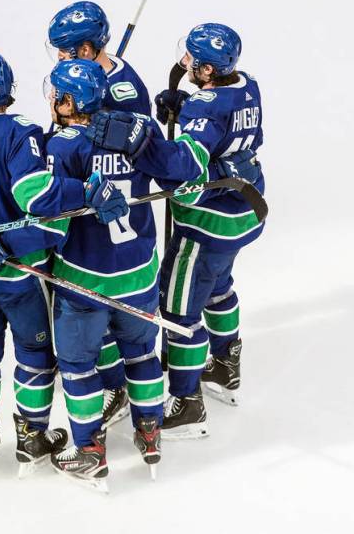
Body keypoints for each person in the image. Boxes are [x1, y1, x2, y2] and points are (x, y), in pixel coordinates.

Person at [0, 51, 128, 478]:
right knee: (34, 352)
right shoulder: (22, 133)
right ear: (10, 90)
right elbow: (39, 198)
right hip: (21, 272)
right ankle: (32, 435)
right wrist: (86, 189)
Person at [85, 23, 265, 438]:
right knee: (219, 286)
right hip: (245, 213)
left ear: (205, 69)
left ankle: (187, 403)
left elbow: (183, 168)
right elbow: (232, 131)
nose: (183, 62)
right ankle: (224, 365)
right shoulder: (248, 85)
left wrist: (142, 140)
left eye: (190, 60)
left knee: (179, 311)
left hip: (207, 225)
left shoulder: (207, 107)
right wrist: (184, 108)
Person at [43, 59, 193, 489]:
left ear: (72, 102)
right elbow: (180, 169)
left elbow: (48, 217)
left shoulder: (62, 147)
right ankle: (150, 435)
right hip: (138, 275)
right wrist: (148, 139)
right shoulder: (137, 130)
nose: (52, 101)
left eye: (57, 94)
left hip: (83, 280)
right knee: (141, 356)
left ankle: (89, 451)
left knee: (77, 366)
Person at [45, 0, 153, 427]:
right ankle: (110, 377)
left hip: (108, 222)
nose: (59, 59)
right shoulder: (76, 80)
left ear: (89, 50)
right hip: (85, 216)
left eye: (67, 51)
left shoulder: (126, 93)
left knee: (103, 305)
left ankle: (112, 384)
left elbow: (136, 158)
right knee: (98, 315)